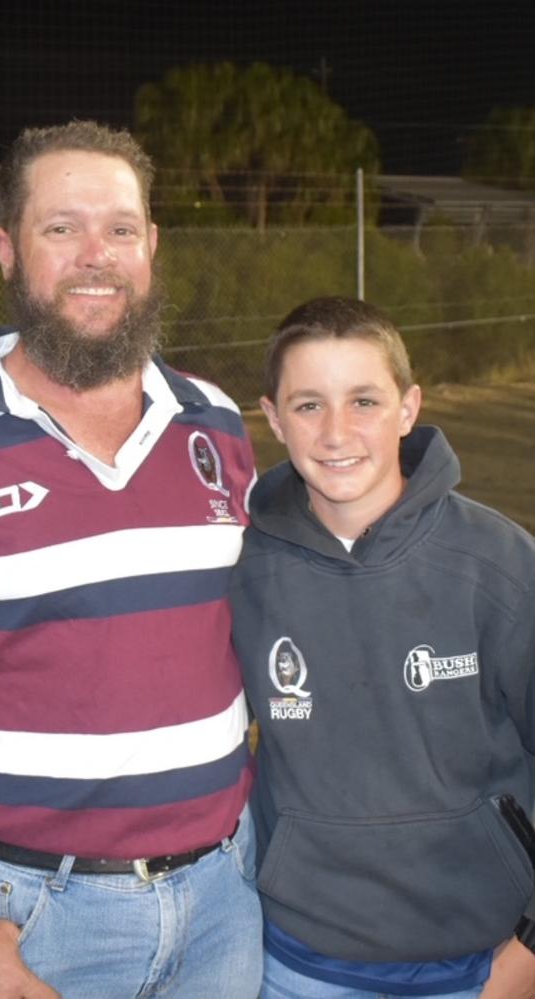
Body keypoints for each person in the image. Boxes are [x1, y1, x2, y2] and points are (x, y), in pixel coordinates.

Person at [0, 120, 263, 998]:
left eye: (121, 229)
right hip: (30, 923)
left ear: (152, 245)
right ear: (7, 250)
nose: (98, 255)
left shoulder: (216, 423)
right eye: (62, 228)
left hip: (223, 907)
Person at [229, 296, 535, 998]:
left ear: (408, 407)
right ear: (272, 416)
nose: (337, 432)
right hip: (299, 962)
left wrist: (528, 950)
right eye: (308, 405)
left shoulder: (501, 566)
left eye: (364, 400)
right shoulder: (241, 570)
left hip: (485, 964)